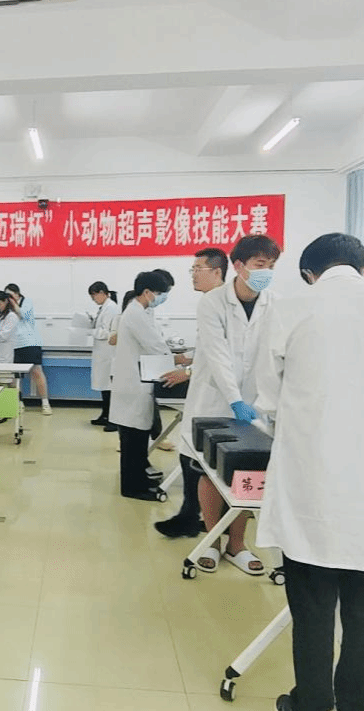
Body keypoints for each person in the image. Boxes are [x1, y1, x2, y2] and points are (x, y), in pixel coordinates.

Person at [254, 233, 364, 711]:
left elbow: (267, 394)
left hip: (314, 478)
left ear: (310, 273)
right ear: (363, 268)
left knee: (313, 602)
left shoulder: (290, 307)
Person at [164, 234, 280, 573]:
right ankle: (212, 541)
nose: (267, 272)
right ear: (239, 266)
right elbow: (216, 356)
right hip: (215, 400)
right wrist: (234, 400)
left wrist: (267, 401)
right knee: (211, 471)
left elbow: (275, 354)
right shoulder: (213, 302)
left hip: (255, 402)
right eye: (261, 264)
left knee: (246, 473)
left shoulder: (275, 304)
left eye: (272, 266)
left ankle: (237, 544)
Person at [153, 248, 228, 539]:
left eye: (198, 268)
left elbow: (223, 353)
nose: (193, 274)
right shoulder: (213, 301)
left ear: (217, 271)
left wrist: (187, 371)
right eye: (192, 269)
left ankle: (197, 517)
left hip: (215, 396)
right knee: (192, 454)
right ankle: (193, 515)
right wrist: (190, 363)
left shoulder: (218, 302)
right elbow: (210, 349)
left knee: (198, 457)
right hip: (206, 391)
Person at [110, 271, 190, 500]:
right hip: (133, 385)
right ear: (147, 292)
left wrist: (175, 358)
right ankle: (133, 488)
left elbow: (155, 344)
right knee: (132, 440)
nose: (163, 298)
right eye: (162, 293)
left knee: (137, 439)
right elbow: (155, 346)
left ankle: (139, 480)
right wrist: (181, 360)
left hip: (138, 381)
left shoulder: (141, 311)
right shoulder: (135, 314)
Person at [4, 283, 52, 415]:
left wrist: (14, 304)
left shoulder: (27, 302)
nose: (9, 298)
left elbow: (23, 315)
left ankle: (45, 403)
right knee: (15, 377)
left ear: (17, 294)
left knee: (37, 372)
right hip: (14, 344)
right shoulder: (7, 308)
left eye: (11, 295)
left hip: (30, 342)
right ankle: (19, 403)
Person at [87, 282, 120, 427]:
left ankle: (113, 419)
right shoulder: (105, 307)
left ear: (102, 292)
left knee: (109, 388)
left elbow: (107, 332)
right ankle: (105, 415)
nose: (93, 299)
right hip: (103, 353)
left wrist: (91, 331)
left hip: (109, 353)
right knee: (104, 387)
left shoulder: (111, 308)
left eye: (94, 296)